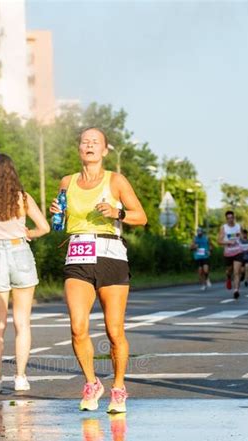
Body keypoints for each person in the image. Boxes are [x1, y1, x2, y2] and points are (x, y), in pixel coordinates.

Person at [50, 127, 147, 414]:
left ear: (104, 151)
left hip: (111, 255)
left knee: (113, 329)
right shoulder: (67, 182)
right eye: (85, 141)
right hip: (78, 254)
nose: (89, 145)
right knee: (78, 327)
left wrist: (117, 213)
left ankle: (118, 387)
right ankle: (92, 383)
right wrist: (57, 213)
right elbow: (60, 223)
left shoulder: (115, 180)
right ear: (79, 148)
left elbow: (141, 217)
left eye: (95, 142)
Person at [0, 153, 50, 393]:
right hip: (20, 252)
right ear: (12, 174)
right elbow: (44, 228)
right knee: (22, 323)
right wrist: (28, 233)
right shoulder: (23, 199)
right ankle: (20, 377)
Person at [218, 210, 243, 299]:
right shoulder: (224, 228)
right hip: (228, 252)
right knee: (229, 270)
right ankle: (228, 277)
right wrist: (228, 242)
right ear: (226, 219)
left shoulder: (238, 226)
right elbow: (219, 241)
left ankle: (236, 290)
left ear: (234, 218)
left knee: (237, 272)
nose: (230, 220)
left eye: (231, 218)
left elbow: (242, 237)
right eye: (228, 218)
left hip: (238, 251)